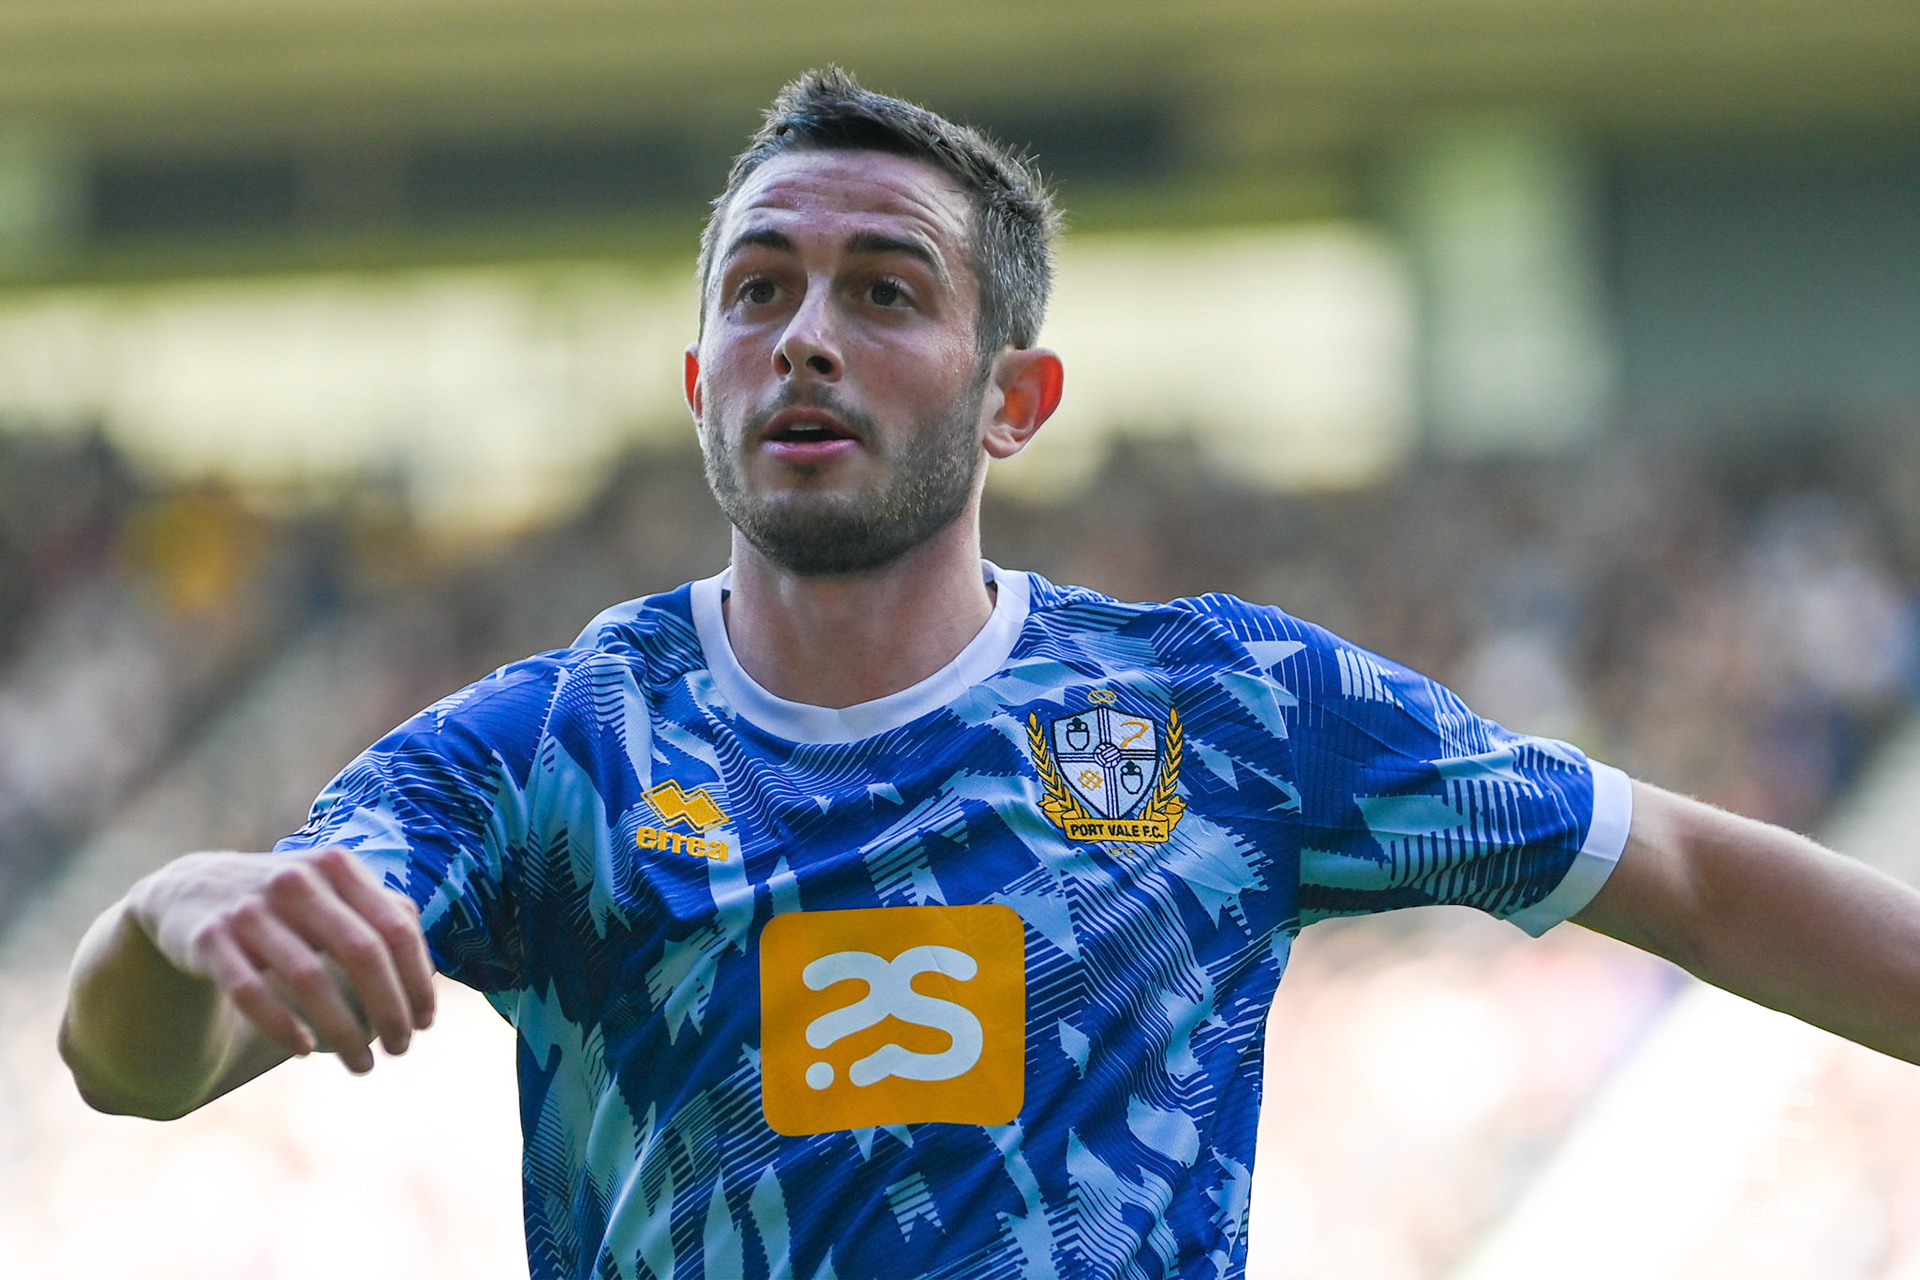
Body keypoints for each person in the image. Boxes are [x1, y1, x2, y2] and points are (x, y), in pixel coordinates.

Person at [59, 68, 1920, 1280]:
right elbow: (143, 1068)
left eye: (886, 291)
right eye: (759, 290)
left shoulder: (1226, 718)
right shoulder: (548, 754)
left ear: (1015, 398)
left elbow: (1684, 871)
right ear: (698, 381)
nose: (806, 337)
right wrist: (164, 921)